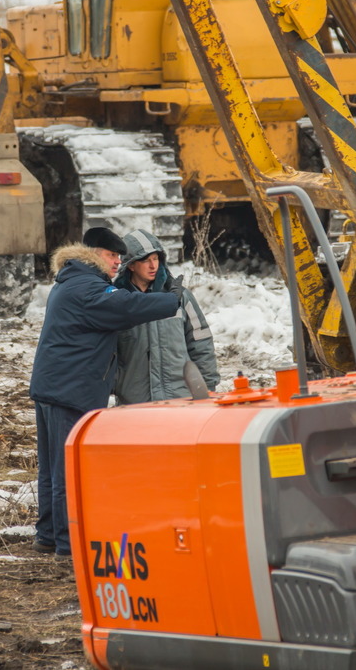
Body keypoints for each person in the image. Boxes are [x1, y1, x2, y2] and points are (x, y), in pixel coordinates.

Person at [28, 227, 180, 557]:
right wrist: (171, 300)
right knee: (67, 472)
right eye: (113, 256)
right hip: (70, 390)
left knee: (52, 469)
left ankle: (49, 535)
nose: (117, 263)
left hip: (55, 386)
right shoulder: (88, 287)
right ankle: (68, 546)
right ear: (96, 253)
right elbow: (125, 307)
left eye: (120, 258)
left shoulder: (73, 280)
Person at [113, 229, 219, 405]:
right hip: (136, 404)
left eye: (156, 259)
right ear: (131, 265)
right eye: (146, 260)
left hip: (180, 400)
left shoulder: (180, 297)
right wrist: (117, 386)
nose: (153, 266)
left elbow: (201, 344)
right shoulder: (120, 303)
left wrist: (207, 389)